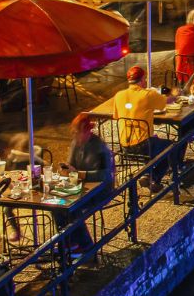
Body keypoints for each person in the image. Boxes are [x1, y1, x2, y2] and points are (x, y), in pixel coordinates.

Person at [58, 114, 113, 255]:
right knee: (57, 207)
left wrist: (80, 174)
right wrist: (66, 168)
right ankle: (68, 243)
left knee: (73, 209)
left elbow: (105, 174)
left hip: (100, 190)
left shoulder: (99, 147)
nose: (75, 136)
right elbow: (71, 164)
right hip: (80, 187)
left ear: (87, 131)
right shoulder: (76, 143)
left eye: (77, 133)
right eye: (74, 133)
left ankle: (86, 246)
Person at [110, 66, 173, 186]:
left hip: (125, 146)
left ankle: (149, 175)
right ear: (142, 79)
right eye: (144, 79)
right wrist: (175, 94)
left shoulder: (119, 95)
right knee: (171, 147)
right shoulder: (148, 94)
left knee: (154, 139)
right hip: (144, 146)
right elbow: (167, 102)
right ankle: (155, 176)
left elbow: (116, 116)